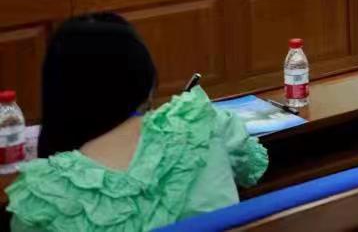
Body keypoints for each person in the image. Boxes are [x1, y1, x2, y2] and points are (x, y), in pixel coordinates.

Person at [5, 13, 267, 232]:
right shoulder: (204, 122)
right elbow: (250, 168)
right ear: (147, 80)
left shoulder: (40, 198)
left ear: (58, 94)